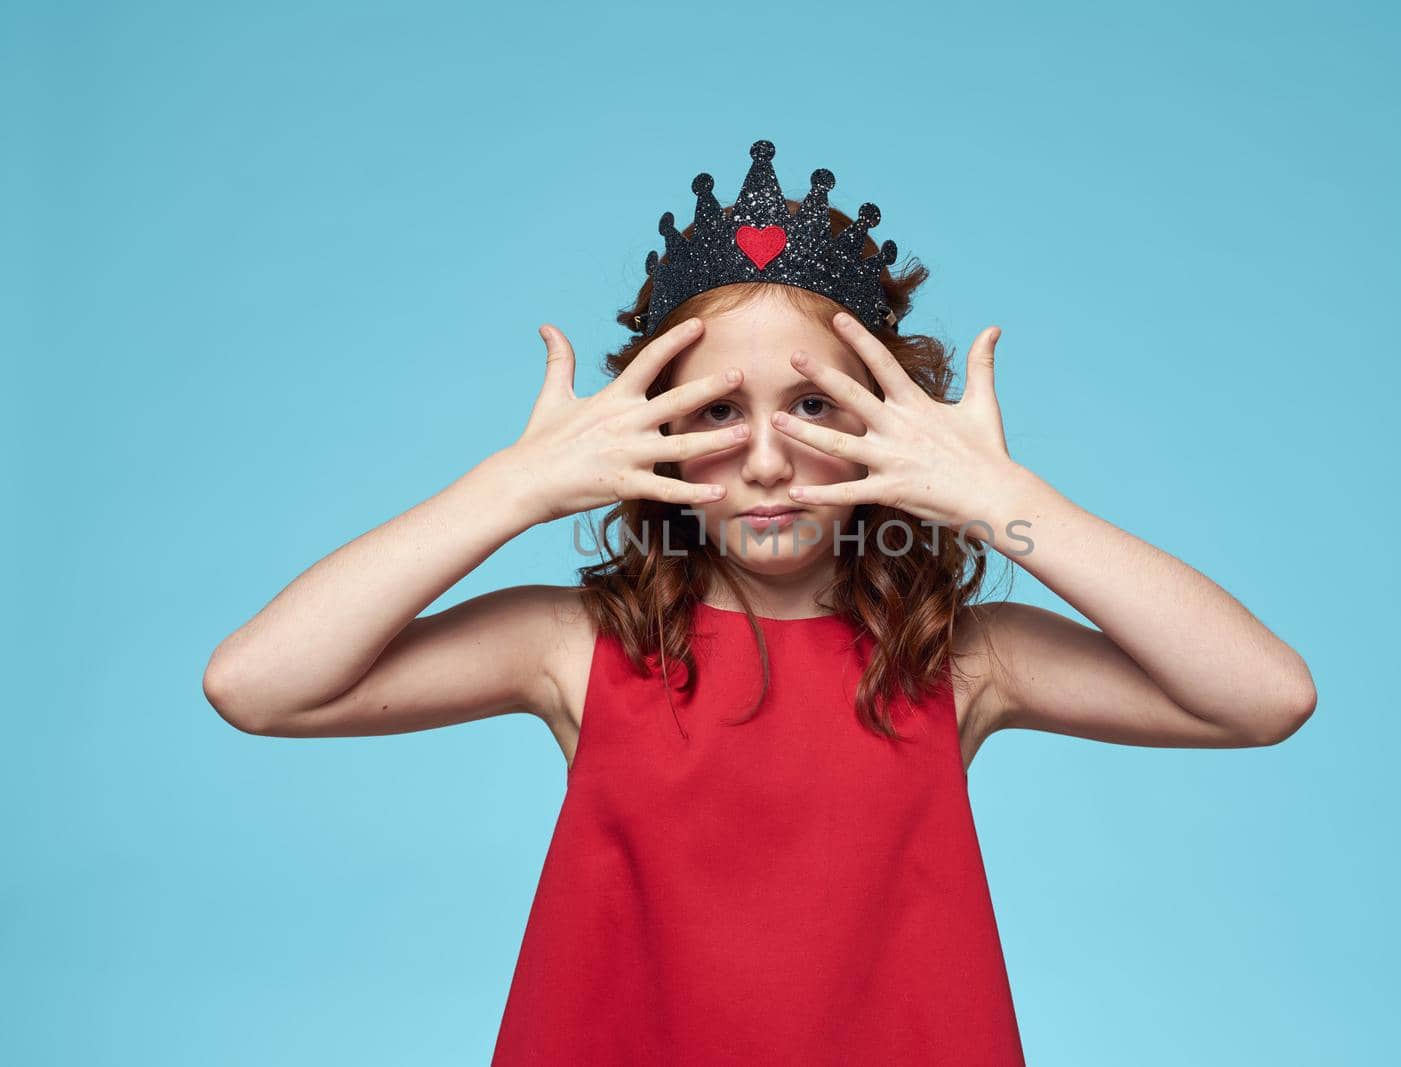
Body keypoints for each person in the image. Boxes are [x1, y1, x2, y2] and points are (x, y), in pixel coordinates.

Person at [202, 139, 1317, 1065]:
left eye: (814, 408)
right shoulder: (573, 645)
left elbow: (1264, 696)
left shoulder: (962, 660)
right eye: (717, 411)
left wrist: (1003, 502)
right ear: (658, 437)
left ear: (889, 426)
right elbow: (256, 683)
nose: (770, 460)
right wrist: (512, 489)